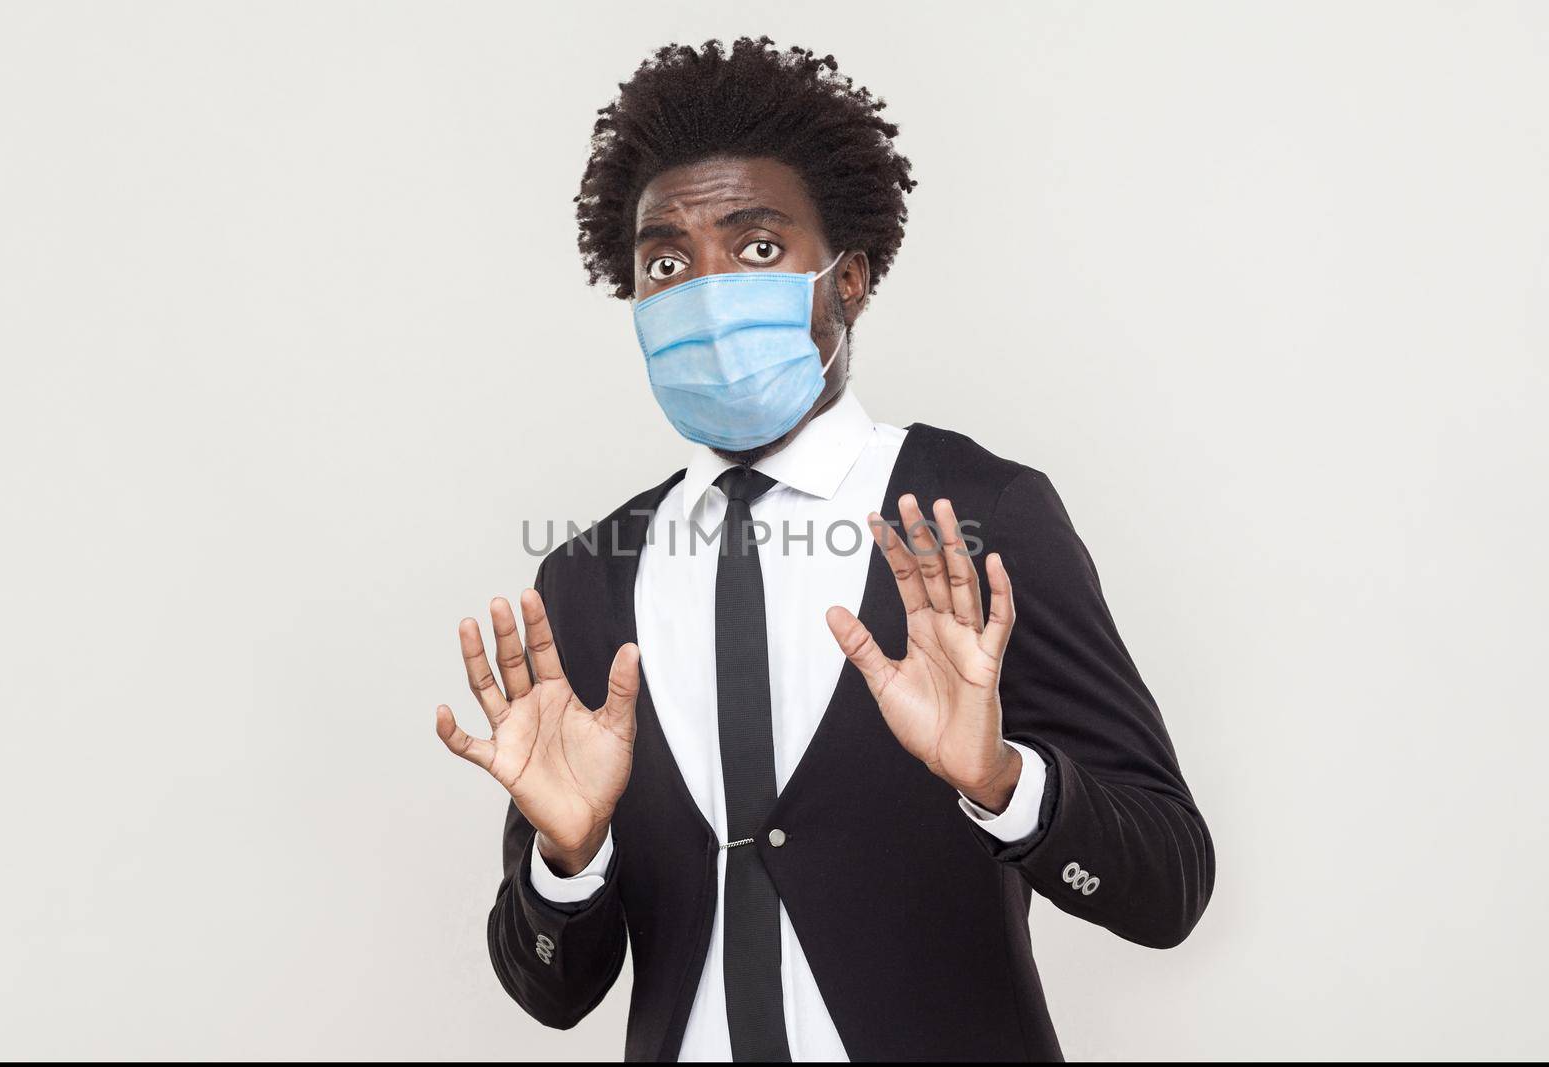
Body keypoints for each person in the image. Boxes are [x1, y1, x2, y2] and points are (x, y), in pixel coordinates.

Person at [435, 37, 1213, 1062]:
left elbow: (1168, 887)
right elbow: (551, 991)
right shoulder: (586, 579)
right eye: (665, 261)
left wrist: (1005, 782)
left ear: (846, 281)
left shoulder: (980, 514)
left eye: (755, 248)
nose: (704, 291)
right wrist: (566, 856)